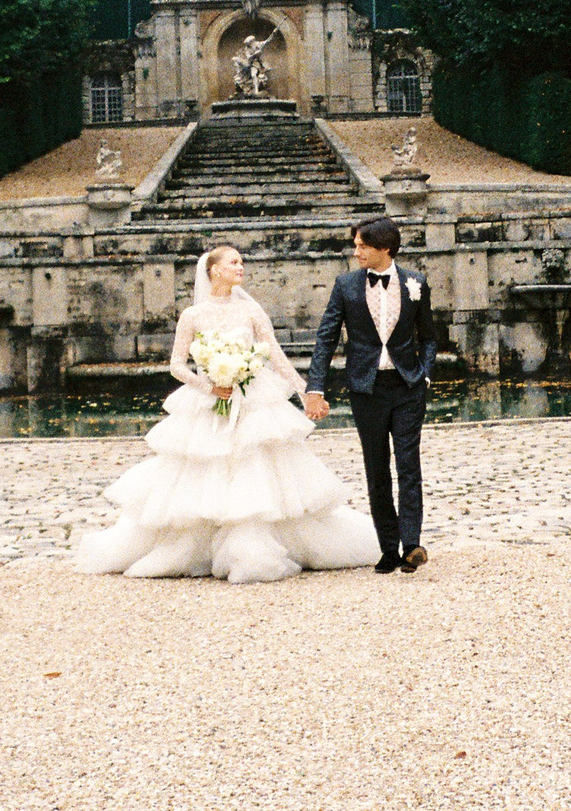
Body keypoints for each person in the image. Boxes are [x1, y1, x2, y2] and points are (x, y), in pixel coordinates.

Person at [73, 245, 381, 583]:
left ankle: (257, 543)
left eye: (242, 262)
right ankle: (200, 545)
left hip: (252, 399)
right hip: (211, 400)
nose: (241, 267)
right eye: (234, 262)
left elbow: (275, 357)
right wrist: (207, 386)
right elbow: (176, 365)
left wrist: (306, 392)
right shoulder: (192, 315)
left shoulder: (251, 312)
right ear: (214, 270)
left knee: (256, 465)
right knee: (204, 468)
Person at [305, 216, 438, 575]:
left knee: (409, 465)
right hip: (367, 389)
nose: (356, 251)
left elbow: (428, 336)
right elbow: (326, 338)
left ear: (385, 248)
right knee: (376, 468)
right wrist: (315, 387)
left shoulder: (416, 282)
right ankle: (387, 548)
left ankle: (412, 544)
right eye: (356, 244)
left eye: (363, 245)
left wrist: (424, 375)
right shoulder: (345, 285)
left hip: (408, 386)